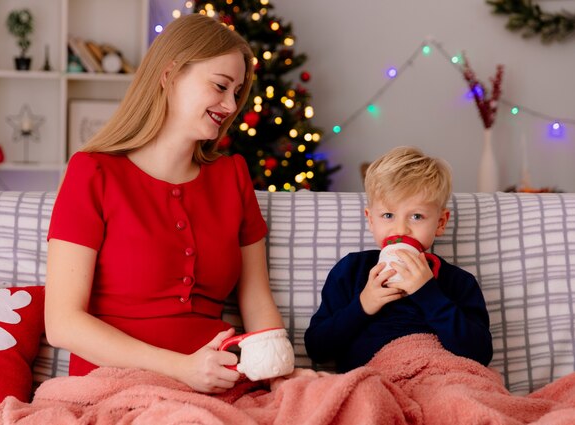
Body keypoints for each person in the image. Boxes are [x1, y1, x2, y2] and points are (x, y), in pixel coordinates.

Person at [44, 13, 287, 394]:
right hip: (114, 388)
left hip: (221, 387)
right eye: (221, 86)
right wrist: (181, 368)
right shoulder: (92, 173)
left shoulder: (233, 176)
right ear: (170, 75)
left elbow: (257, 301)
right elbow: (62, 322)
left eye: (237, 92)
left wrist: (282, 375)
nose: (230, 104)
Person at [304, 146, 493, 373]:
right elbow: (317, 348)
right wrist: (363, 305)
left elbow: (480, 354)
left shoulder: (458, 282)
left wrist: (428, 294)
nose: (401, 228)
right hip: (374, 380)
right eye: (388, 215)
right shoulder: (351, 271)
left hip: (439, 376)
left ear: (441, 223)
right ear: (371, 220)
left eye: (416, 216)